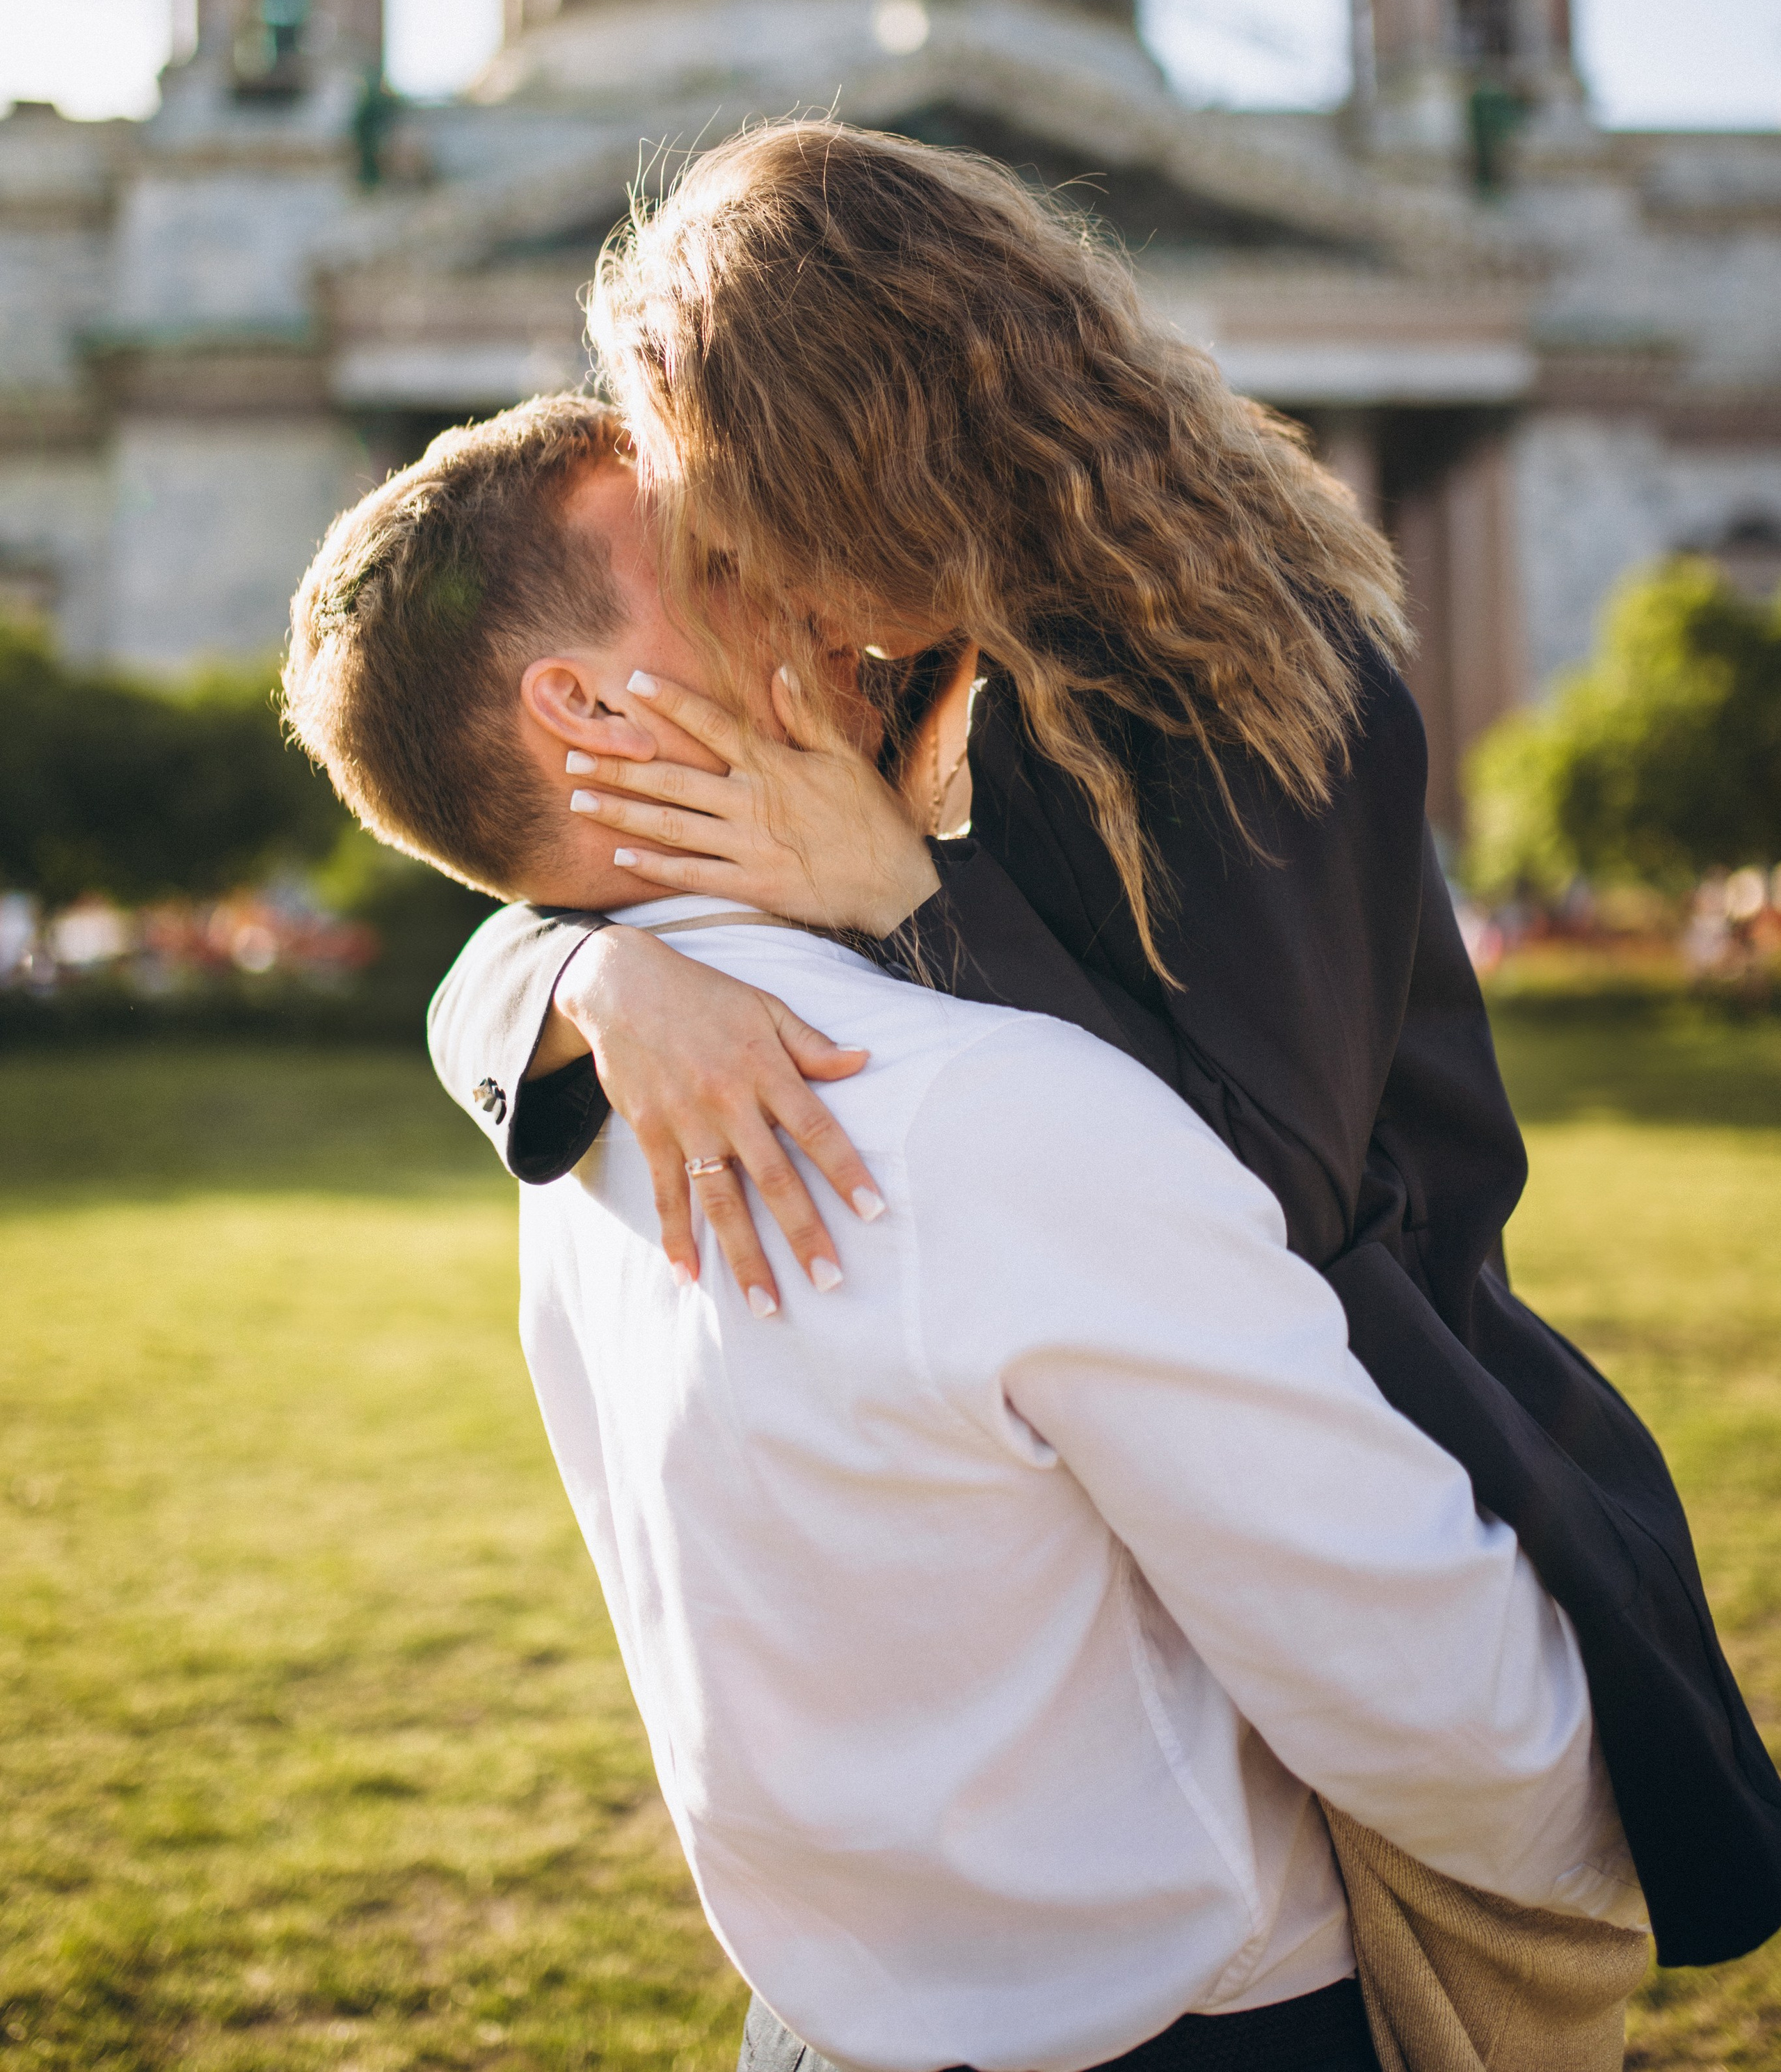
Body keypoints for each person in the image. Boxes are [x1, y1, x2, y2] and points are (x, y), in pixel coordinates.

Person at [427, 122, 1781, 1970]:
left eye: (738, 501)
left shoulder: (1256, 667)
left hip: (1393, 1453)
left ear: (864, 437)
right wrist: (578, 986)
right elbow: (546, 860)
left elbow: (1255, 1171)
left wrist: (908, 892)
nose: (747, 574)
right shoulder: (905, 648)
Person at [282, 397, 1649, 2072]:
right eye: (721, 558)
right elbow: (1424, 1679)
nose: (819, 578)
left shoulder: (588, 1116)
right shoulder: (984, 1108)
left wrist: (580, 964)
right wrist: (1587, 1859)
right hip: (1196, 2021)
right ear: (582, 707)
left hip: (824, 2022)